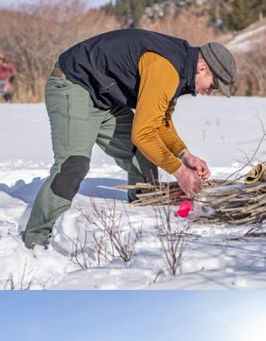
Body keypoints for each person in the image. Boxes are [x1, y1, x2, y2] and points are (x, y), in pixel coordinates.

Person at [22, 29, 237, 249]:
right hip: (74, 85)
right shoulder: (166, 69)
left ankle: (143, 207)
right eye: (214, 85)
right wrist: (180, 172)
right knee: (73, 165)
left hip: (105, 98)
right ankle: (34, 239)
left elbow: (160, 122)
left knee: (141, 155)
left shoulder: (179, 69)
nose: (211, 91)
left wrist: (185, 155)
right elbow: (143, 133)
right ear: (203, 68)